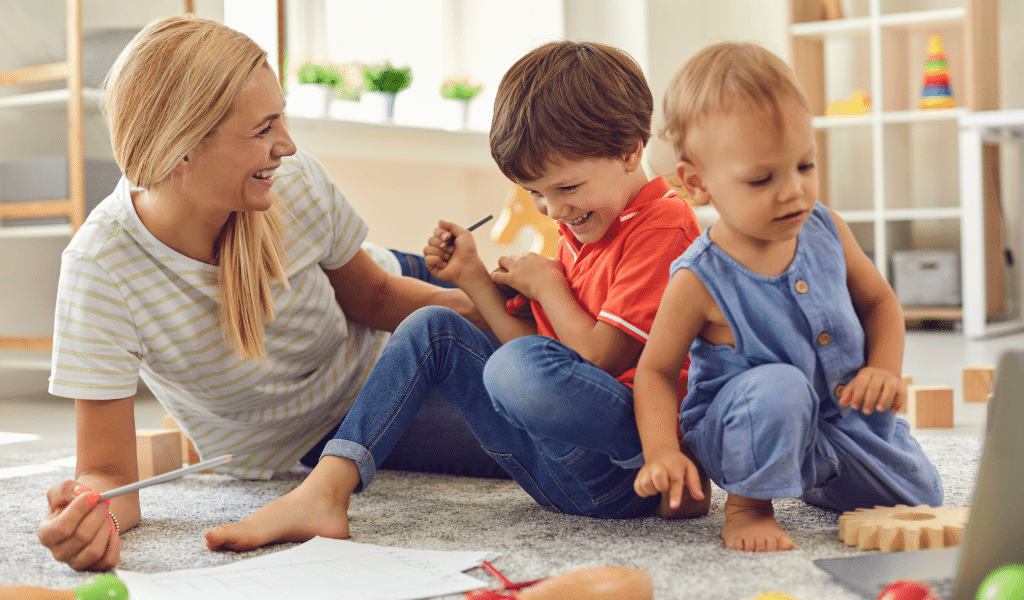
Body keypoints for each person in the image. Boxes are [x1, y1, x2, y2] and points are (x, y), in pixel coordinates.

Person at [204, 40, 706, 552]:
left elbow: (599, 357)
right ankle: (325, 492)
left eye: (565, 189)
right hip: (554, 471)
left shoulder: (662, 225)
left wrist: (548, 285)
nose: (552, 212)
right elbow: (534, 348)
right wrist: (473, 279)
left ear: (629, 151)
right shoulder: (588, 220)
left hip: (631, 474)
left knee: (519, 367)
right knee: (432, 326)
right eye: (536, 194)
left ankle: (678, 482)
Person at [36, 15, 484, 572]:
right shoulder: (101, 269)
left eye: (282, 119)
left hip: (402, 302)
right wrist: (94, 515)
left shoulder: (291, 183)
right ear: (182, 146)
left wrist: (488, 305)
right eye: (264, 128)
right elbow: (109, 476)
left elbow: (375, 295)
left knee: (575, 313)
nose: (288, 145)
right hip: (335, 423)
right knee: (552, 431)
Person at [631, 41, 943, 553]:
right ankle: (750, 504)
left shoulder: (827, 229)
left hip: (837, 421)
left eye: (805, 166)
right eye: (762, 178)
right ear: (696, 182)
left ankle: (808, 473)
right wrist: (662, 451)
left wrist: (883, 369)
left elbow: (880, 304)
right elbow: (656, 371)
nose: (793, 191)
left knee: (920, 498)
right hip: (744, 423)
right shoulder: (698, 277)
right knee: (781, 388)